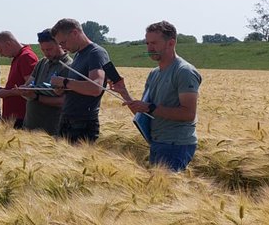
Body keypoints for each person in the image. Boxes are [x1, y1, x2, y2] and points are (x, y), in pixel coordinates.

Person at [112, 20, 202, 171]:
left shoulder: (184, 71)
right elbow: (144, 114)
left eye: (154, 43)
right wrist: (124, 92)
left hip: (176, 145)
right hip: (157, 142)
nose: (149, 48)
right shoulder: (154, 74)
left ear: (171, 43)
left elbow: (188, 114)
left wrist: (150, 108)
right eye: (147, 43)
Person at [50, 18, 110, 143]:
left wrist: (65, 82)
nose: (63, 48)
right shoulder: (78, 54)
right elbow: (77, 86)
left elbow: (96, 87)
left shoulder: (96, 53)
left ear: (74, 33)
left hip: (83, 123)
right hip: (69, 119)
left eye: (63, 42)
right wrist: (62, 90)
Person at [19, 29, 72, 135]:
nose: (46, 53)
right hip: (30, 125)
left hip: (50, 128)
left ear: (59, 44)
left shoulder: (69, 66)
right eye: (43, 50)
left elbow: (64, 102)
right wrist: (24, 90)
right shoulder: (42, 63)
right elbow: (29, 83)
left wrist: (36, 97)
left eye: (49, 49)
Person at [0, 31, 39, 129]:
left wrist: (7, 93)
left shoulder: (26, 57)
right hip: (14, 117)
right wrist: (5, 90)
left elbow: (31, 89)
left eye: (1, 50)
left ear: (8, 44)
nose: (1, 54)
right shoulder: (19, 57)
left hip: (20, 116)